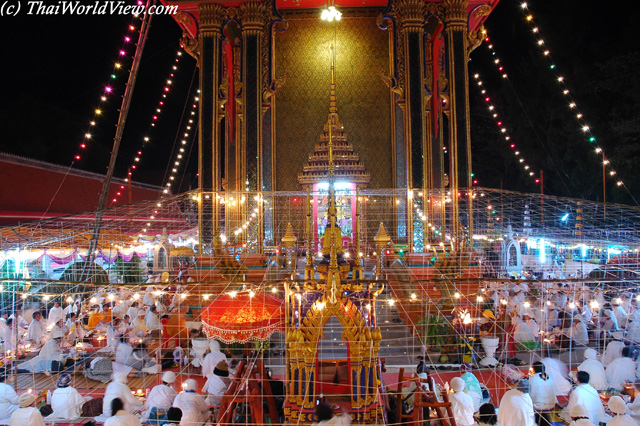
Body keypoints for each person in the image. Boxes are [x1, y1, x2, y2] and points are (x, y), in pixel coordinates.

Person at [529, 362, 557, 426]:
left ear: (533, 370)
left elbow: (529, 394)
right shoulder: (550, 378)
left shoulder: (532, 379)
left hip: (537, 407)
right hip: (551, 405)